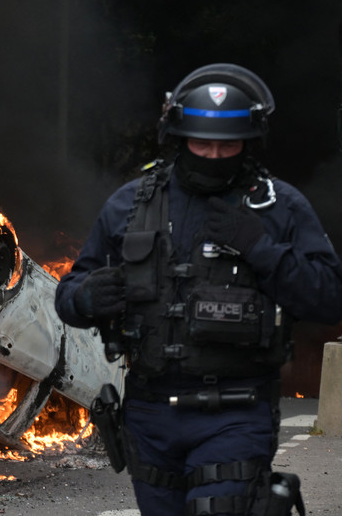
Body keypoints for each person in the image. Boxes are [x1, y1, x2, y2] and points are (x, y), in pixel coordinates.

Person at [55, 63, 342, 516]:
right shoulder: (132, 204)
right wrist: (86, 296)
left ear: (248, 143)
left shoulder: (277, 205)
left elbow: (329, 296)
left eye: (226, 146)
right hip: (150, 415)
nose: (212, 156)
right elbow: (68, 293)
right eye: (201, 144)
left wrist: (262, 249)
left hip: (237, 413)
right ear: (178, 138)